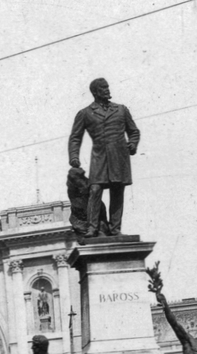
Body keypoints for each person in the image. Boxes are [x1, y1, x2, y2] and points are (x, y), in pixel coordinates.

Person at [68, 78, 140, 238]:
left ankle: (115, 229)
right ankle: (93, 228)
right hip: (99, 156)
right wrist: (74, 157)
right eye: (103, 88)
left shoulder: (121, 109)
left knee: (117, 191)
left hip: (119, 156)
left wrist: (133, 144)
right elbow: (75, 137)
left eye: (107, 87)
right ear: (95, 92)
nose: (107, 90)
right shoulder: (85, 113)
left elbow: (133, 131)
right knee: (95, 190)